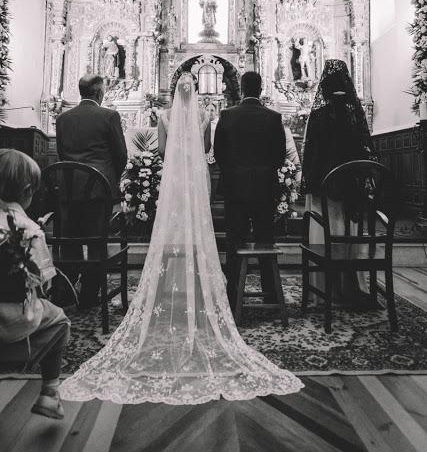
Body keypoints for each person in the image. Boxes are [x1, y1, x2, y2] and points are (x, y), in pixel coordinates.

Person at [59, 73, 302, 404]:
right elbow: (210, 149)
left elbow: (160, 150)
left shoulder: (165, 115)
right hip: (225, 182)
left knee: (91, 237)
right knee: (234, 235)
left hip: (109, 183)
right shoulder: (211, 116)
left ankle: (76, 288)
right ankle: (235, 294)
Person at [0, 149, 70, 419]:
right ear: (28, 191)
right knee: (60, 319)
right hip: (12, 317)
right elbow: (44, 282)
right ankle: (50, 394)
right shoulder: (27, 228)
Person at [301, 59, 376, 306]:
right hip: (351, 192)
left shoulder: (320, 117)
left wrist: (312, 181)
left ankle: (323, 288)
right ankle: (351, 283)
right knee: (349, 231)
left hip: (325, 190)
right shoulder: (356, 117)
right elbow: (366, 153)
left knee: (324, 231)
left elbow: (311, 156)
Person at [214, 72, 287, 306]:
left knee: (235, 238)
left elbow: (219, 154)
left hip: (235, 189)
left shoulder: (226, 115)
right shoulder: (274, 117)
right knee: (266, 237)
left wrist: (234, 174)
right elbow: (279, 156)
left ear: (242, 89)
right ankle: (271, 292)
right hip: (265, 188)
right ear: (261, 89)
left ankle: (233, 291)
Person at [55, 74, 127, 307]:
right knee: (97, 241)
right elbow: (121, 155)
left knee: (69, 240)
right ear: (99, 93)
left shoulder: (63, 119)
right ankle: (88, 295)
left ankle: (65, 290)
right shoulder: (109, 116)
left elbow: (62, 154)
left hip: (68, 189)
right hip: (98, 189)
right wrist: (110, 181)